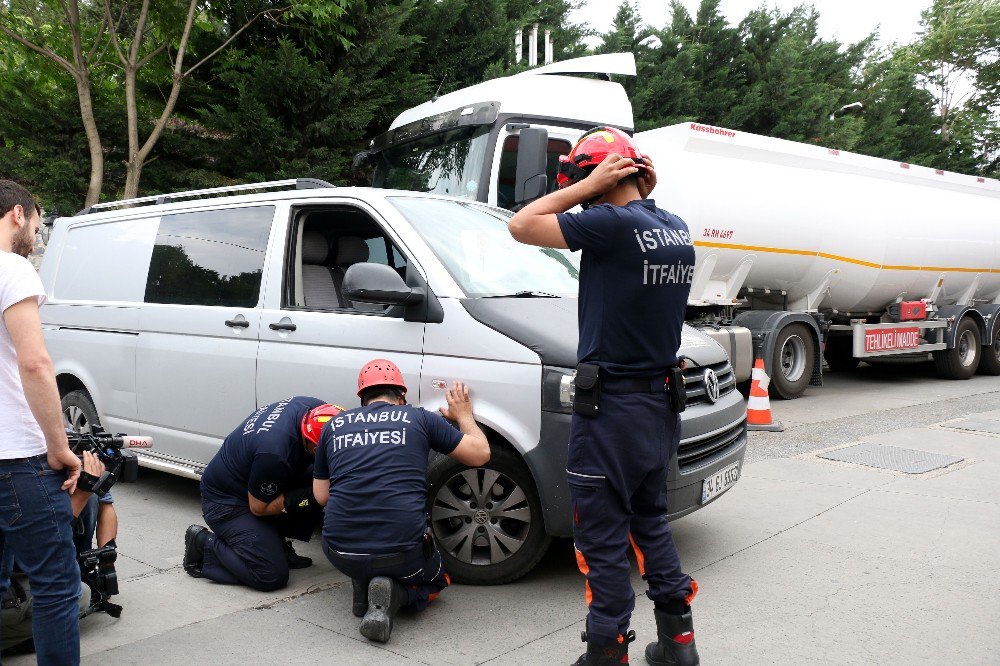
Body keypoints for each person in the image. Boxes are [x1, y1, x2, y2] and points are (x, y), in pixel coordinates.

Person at [508, 128, 700, 666]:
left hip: (612, 411)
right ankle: (679, 643)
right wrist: (632, 186)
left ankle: (607, 651)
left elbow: (522, 225)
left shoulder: (611, 224)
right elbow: (641, 218)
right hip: (660, 407)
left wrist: (584, 186)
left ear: (596, 176)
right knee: (651, 522)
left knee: (602, 539)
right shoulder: (674, 227)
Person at [313, 359, 490, 644]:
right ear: (402, 396)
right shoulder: (418, 418)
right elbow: (480, 454)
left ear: (362, 398)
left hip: (341, 554)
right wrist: (464, 415)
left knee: (363, 551)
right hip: (402, 555)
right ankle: (394, 595)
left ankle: (363, 582)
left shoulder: (334, 426)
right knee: (437, 580)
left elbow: (321, 496)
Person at [0, 179, 82, 665]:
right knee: (55, 583)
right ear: (16, 214)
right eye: (36, 219)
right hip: (15, 458)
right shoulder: (12, 268)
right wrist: (59, 446)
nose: (35, 228)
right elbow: (34, 363)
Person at [183, 397, 343, 592]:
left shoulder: (315, 409)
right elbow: (259, 508)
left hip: (253, 479)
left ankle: (273, 544)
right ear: (316, 448)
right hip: (227, 503)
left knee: (321, 480)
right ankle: (204, 544)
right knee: (270, 575)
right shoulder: (274, 454)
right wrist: (311, 497)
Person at [1, 451, 108, 656]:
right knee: (71, 595)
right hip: (18, 567)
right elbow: (44, 541)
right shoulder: (18, 476)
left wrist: (107, 562)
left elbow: (107, 505)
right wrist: (82, 494)